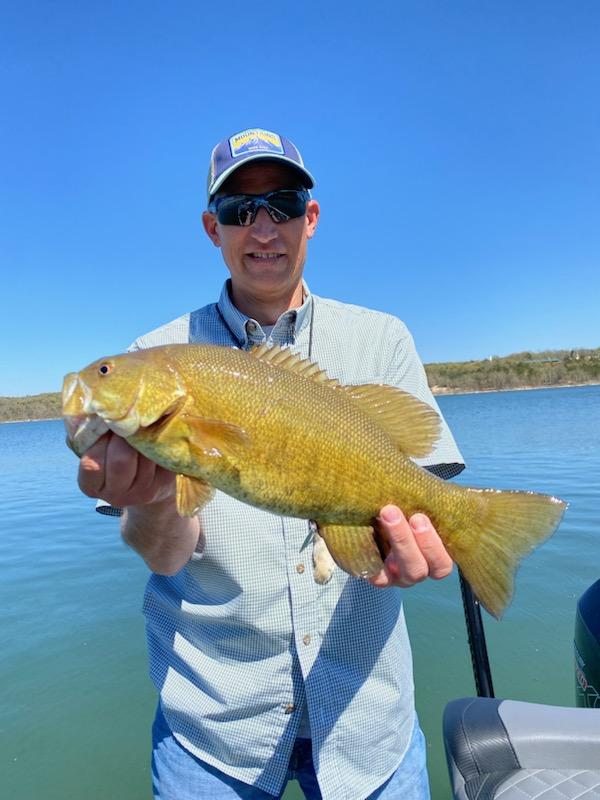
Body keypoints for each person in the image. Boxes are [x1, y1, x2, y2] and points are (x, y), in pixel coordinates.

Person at [78, 128, 464, 800]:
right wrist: (154, 497)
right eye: (239, 210)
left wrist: (410, 542)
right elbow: (164, 555)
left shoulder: (382, 338)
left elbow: (415, 499)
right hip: (214, 730)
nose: (263, 228)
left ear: (310, 218)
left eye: (281, 205)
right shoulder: (158, 351)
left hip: (368, 722)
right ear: (213, 228)